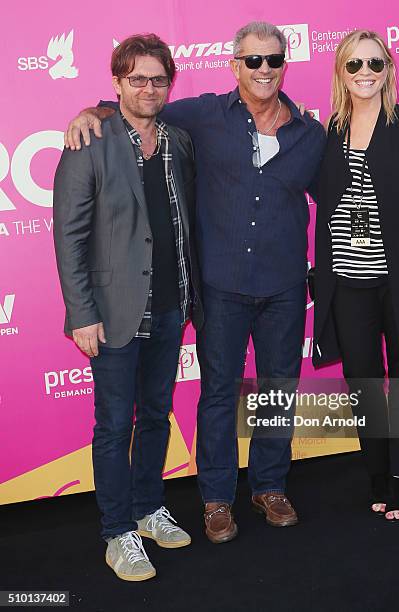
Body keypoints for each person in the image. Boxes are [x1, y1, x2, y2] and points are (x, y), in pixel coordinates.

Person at [65, 21, 326, 543]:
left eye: (273, 60)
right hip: (220, 288)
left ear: (284, 66)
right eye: (253, 61)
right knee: (218, 393)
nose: (264, 70)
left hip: (284, 288)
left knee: (278, 390)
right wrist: (93, 109)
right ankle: (215, 499)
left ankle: (270, 485)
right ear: (235, 65)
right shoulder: (203, 115)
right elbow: (139, 107)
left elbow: (344, 197)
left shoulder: (309, 134)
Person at [53, 33, 203, 580]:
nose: (147, 88)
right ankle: (117, 532)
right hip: (112, 312)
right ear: (116, 83)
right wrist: (81, 313)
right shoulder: (89, 141)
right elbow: (68, 236)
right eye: (136, 78)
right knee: (115, 425)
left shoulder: (178, 140)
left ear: (169, 84)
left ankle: (147, 509)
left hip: (169, 307)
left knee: (157, 416)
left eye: (158, 79)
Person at [312, 30, 399, 521]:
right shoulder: (329, 128)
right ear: (341, 72)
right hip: (348, 280)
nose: (365, 73)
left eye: (375, 64)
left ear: (388, 69)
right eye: (355, 65)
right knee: (364, 383)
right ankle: (376, 470)